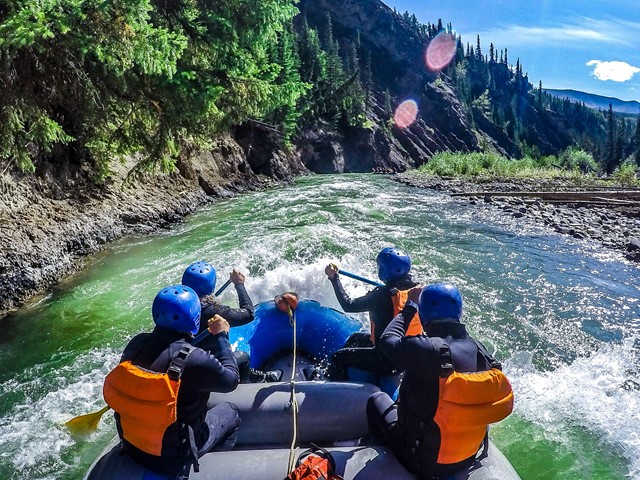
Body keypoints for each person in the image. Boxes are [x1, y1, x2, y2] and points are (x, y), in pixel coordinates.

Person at [366, 283, 514, 479]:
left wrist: (410, 305)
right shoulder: (482, 352)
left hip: (420, 460)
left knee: (375, 400)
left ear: (425, 314)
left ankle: (379, 456)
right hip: (468, 458)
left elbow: (387, 340)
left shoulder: (428, 349)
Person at [103, 285, 241, 477]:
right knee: (232, 412)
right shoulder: (195, 359)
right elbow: (232, 380)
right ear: (194, 317)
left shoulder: (137, 343)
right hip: (173, 456)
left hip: (133, 446)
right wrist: (222, 337)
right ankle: (208, 471)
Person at [324, 247, 422, 379]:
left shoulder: (381, 295)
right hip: (410, 353)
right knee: (356, 338)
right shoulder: (418, 291)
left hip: (389, 361)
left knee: (338, 357)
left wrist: (334, 278)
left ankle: (335, 389)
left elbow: (348, 305)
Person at [181, 261, 281, 382]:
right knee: (243, 357)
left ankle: (253, 374)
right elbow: (248, 314)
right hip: (206, 365)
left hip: (184, 360)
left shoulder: (178, 306)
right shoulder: (213, 312)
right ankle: (244, 386)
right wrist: (239, 284)